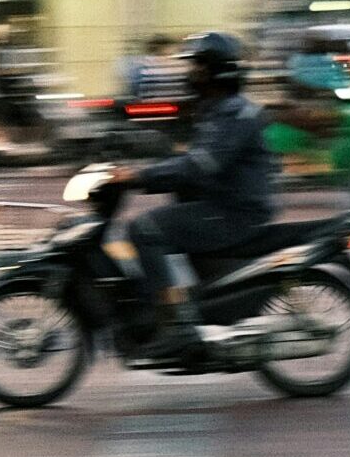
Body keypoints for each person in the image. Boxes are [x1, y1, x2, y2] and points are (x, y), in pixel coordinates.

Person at [110, 32, 277, 362]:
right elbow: (188, 157)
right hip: (223, 206)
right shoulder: (217, 109)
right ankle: (184, 304)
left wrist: (139, 176)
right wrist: (142, 164)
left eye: (198, 67)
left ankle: (178, 329)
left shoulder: (234, 114)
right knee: (166, 221)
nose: (191, 74)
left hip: (234, 213)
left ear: (217, 71)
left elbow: (201, 164)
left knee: (146, 229)